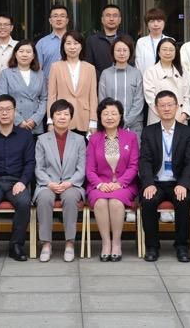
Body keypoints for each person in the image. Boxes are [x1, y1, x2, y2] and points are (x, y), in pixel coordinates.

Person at [139, 90, 190, 263]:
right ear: (156, 108)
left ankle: (181, 245)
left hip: (177, 182)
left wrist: (184, 183)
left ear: (177, 107)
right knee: (148, 200)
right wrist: (148, 183)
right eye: (162, 105)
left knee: (183, 200)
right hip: (156, 182)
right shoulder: (149, 132)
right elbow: (145, 161)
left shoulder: (187, 132)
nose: (166, 109)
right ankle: (152, 246)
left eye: (170, 105)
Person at [0, 95, 36, 262]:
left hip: (16, 182)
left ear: (14, 112)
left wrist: (23, 182)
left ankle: (16, 246)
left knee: (24, 202)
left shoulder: (25, 135)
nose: (4, 113)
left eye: (8, 109)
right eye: (1, 110)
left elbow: (30, 162)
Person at [87, 98, 140, 261]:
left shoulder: (131, 137)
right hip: (99, 185)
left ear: (120, 116)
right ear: (100, 117)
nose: (109, 117)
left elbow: (134, 166)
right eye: (105, 114)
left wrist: (120, 183)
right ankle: (105, 243)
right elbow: (89, 169)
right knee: (101, 202)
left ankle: (116, 243)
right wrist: (99, 184)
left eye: (113, 113)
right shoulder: (94, 139)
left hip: (125, 185)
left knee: (116, 202)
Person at [34, 99, 86, 262]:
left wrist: (69, 183)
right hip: (48, 183)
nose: (62, 117)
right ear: (52, 117)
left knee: (70, 198)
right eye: (58, 114)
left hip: (71, 184)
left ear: (71, 117)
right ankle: (46, 244)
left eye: (66, 114)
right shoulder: (42, 139)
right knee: (44, 198)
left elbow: (82, 167)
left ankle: (70, 243)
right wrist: (49, 183)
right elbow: (39, 167)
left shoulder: (79, 140)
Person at [47, 31, 99, 134]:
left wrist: (93, 121)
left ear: (81, 46)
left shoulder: (90, 68)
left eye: (76, 43)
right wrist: (50, 121)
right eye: (68, 43)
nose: (72, 47)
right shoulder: (55, 67)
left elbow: (93, 96)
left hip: (84, 119)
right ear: (63, 46)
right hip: (61, 118)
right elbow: (52, 96)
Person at [0, 39, 47, 137]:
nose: (24, 55)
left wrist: (35, 120)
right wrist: (19, 121)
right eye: (21, 51)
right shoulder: (6, 74)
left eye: (28, 52)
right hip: (13, 123)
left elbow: (44, 99)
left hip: (35, 125)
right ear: (15, 54)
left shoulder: (40, 74)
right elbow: (3, 99)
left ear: (33, 56)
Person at [98, 38, 145, 136]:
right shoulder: (105, 74)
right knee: (111, 146)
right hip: (110, 125)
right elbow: (102, 100)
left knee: (132, 146)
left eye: (125, 50)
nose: (122, 53)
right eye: (118, 50)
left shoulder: (136, 73)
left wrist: (125, 121)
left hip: (133, 126)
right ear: (113, 52)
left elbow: (139, 101)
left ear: (130, 52)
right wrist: (113, 120)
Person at [142, 38, 190, 126]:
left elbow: (187, 96)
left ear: (176, 53)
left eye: (171, 50)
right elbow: (150, 99)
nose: (168, 53)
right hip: (158, 119)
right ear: (158, 52)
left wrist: (183, 115)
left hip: (180, 119)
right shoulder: (150, 72)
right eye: (164, 50)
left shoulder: (182, 71)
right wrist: (166, 116)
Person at [85, 4, 135, 79]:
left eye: (115, 16)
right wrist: (104, 78)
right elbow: (89, 65)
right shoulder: (92, 40)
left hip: (124, 80)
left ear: (120, 20)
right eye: (108, 15)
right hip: (99, 82)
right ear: (102, 19)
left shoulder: (127, 39)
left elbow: (131, 61)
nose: (111, 19)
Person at [36, 5, 70, 82]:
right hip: (48, 86)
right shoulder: (42, 43)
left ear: (67, 20)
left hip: (72, 86)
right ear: (50, 21)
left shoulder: (75, 42)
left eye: (62, 16)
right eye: (55, 16)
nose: (59, 19)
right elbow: (37, 69)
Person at [135, 7, 169, 74]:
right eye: (152, 21)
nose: (156, 24)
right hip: (146, 78)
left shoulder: (170, 41)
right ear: (147, 24)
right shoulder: (141, 42)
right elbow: (139, 65)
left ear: (164, 23)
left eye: (159, 21)